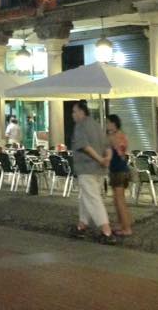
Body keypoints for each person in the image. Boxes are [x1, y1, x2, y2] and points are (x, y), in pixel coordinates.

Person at [69, 101, 116, 244]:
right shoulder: (97, 125)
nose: (73, 115)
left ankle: (106, 231)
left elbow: (84, 146)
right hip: (99, 170)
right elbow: (107, 146)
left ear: (82, 112)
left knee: (93, 199)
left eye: (74, 111)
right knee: (86, 197)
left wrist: (100, 159)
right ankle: (81, 226)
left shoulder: (80, 126)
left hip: (86, 168)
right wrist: (107, 158)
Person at [106, 114, 133, 237]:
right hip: (118, 169)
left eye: (108, 122)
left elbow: (114, 150)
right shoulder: (120, 135)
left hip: (118, 170)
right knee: (117, 200)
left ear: (113, 123)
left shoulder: (115, 136)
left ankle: (126, 228)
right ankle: (122, 224)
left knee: (120, 200)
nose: (107, 125)